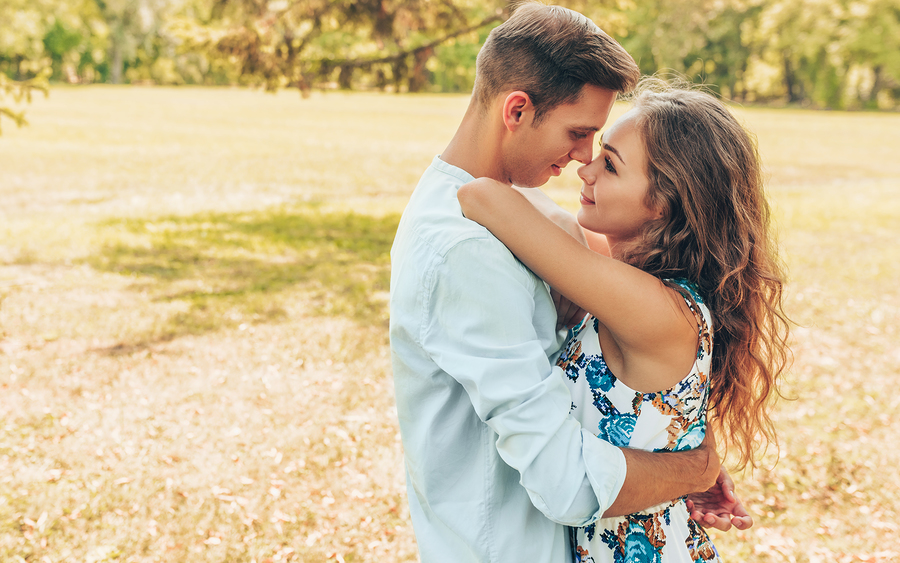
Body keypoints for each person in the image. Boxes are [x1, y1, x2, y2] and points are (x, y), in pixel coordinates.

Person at [390, 3, 750, 562]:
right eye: (580, 134)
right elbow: (568, 483)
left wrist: (677, 455)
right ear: (517, 109)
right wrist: (690, 466)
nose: (584, 159)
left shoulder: (521, 214)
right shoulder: (470, 242)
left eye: (605, 154)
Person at [457, 79, 791, 562]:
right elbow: (550, 223)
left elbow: (483, 197)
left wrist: (697, 467)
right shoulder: (630, 282)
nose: (585, 167)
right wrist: (694, 462)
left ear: (665, 202)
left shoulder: (657, 308)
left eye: (610, 164)